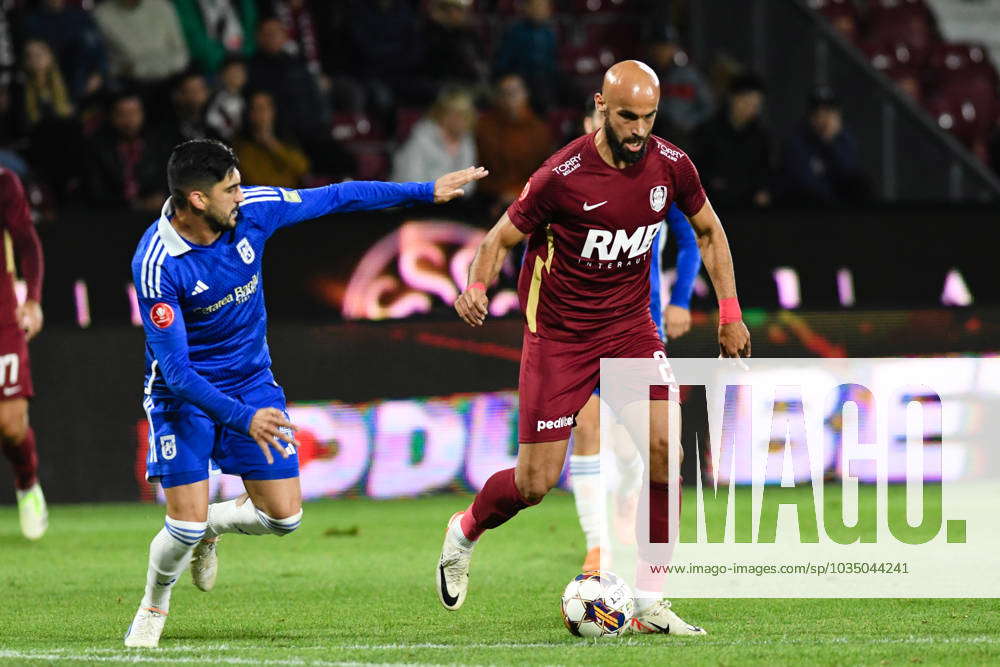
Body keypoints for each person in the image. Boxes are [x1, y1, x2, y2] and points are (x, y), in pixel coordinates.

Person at [125, 138, 486, 648]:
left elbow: (337, 196)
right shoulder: (158, 261)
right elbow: (178, 372)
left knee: (284, 517)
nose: (241, 194)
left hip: (250, 382)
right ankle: (153, 605)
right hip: (183, 395)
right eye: (230, 189)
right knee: (178, 527)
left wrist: (424, 191)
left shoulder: (252, 210)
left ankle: (213, 528)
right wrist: (244, 419)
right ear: (197, 200)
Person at [442, 60, 750, 634]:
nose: (639, 130)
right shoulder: (562, 175)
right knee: (533, 483)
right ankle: (465, 531)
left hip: (631, 328)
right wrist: (477, 286)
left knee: (667, 450)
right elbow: (498, 239)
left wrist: (729, 313)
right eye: (628, 117)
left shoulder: (671, 165)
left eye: (649, 118)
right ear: (602, 107)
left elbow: (708, 231)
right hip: (559, 336)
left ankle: (651, 600)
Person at [570, 96, 702, 573]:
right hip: (579, 330)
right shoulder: (567, 178)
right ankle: (597, 547)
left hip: (638, 326)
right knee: (586, 429)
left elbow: (691, 239)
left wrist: (681, 298)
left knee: (635, 446)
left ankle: (627, 490)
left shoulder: (654, 174)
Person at [0, 169, 45, 541]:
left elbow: (26, 242)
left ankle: (27, 483)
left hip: (2, 317)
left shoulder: (4, 183)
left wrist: (31, 299)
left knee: (12, 424)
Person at [692, 72, 773, 208]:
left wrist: (763, 190)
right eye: (747, 102)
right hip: (712, 207)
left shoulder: (761, 136)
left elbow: (765, 172)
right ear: (732, 98)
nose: (751, 109)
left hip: (749, 208)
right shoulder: (707, 131)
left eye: (756, 105)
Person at [781, 86, 870, 204]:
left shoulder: (844, 138)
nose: (824, 118)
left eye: (829, 112)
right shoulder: (797, 140)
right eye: (818, 112)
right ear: (810, 117)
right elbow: (805, 183)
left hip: (842, 209)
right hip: (810, 209)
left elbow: (850, 173)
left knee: (864, 184)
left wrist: (830, 143)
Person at [475, 73, 552, 205]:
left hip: (528, 196)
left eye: (515, 91)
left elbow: (545, 173)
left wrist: (518, 192)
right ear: (497, 97)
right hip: (490, 197)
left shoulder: (539, 130)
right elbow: (478, 168)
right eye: (504, 93)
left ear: (526, 94)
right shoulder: (483, 127)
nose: (510, 97)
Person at [85, 91, 169, 211]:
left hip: (152, 215)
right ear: (111, 117)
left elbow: (166, 184)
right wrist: (133, 205)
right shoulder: (98, 148)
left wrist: (159, 198)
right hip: (110, 215)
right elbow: (96, 192)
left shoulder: (158, 144)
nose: (129, 120)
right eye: (122, 114)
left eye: (134, 113)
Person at [392, 87, 477, 196]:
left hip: (452, 202)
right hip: (412, 202)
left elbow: (469, 184)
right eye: (457, 114)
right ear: (443, 114)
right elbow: (412, 181)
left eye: (466, 115)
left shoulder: (466, 140)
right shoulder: (421, 137)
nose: (463, 120)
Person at [94, 0, 190, 87]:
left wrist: (140, 67)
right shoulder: (101, 16)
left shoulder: (162, 6)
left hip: (174, 78)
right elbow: (110, 64)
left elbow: (181, 51)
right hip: (130, 85)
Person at [233, 90, 310, 189]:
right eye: (255, 109)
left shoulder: (287, 137)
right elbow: (254, 179)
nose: (260, 114)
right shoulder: (242, 144)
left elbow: (302, 168)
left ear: (273, 111)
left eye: (263, 108)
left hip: (288, 197)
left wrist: (273, 145)